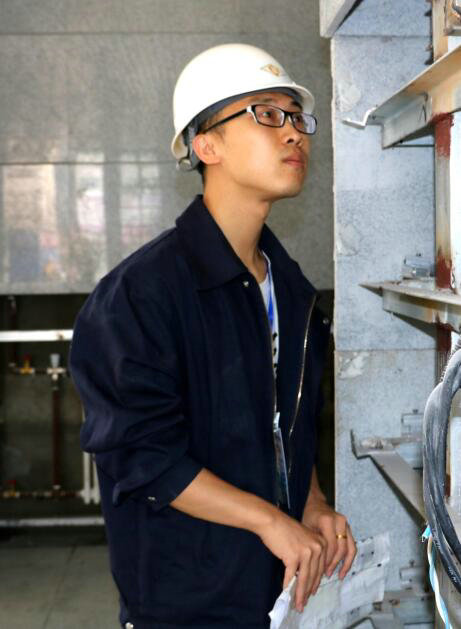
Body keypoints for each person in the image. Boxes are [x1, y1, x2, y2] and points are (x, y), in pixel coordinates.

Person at [70, 43, 356, 629]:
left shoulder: (291, 290)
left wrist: (311, 502)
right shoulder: (139, 295)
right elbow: (140, 454)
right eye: (266, 114)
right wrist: (269, 520)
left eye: (297, 117)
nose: (294, 133)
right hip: (187, 598)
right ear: (206, 146)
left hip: (278, 593)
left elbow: (288, 421)